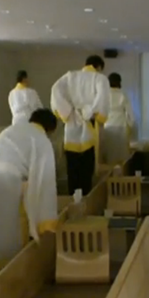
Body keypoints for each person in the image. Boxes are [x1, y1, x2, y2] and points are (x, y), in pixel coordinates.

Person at [0, 109, 59, 272]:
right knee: (10, 229)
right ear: (50, 129)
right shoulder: (41, 139)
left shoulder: (12, 130)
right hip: (6, 180)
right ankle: (10, 274)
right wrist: (47, 221)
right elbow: (45, 181)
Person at [51, 55, 110, 195]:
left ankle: (73, 200)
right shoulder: (99, 78)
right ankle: (86, 201)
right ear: (99, 67)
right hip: (88, 125)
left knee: (72, 169)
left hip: (71, 124)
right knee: (86, 169)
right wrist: (90, 111)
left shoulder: (69, 76)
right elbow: (103, 99)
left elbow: (55, 90)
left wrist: (68, 111)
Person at [103, 73, 135, 165]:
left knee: (110, 153)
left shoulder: (105, 95)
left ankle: (110, 177)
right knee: (122, 155)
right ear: (119, 82)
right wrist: (130, 125)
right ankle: (122, 177)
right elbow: (130, 114)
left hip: (107, 126)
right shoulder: (123, 94)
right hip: (121, 125)